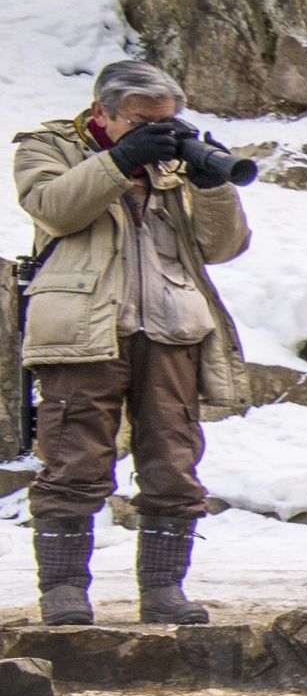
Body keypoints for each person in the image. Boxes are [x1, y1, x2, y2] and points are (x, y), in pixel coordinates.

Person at [13, 60, 251, 626]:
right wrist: (120, 161)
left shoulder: (175, 161)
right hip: (82, 330)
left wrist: (211, 182)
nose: (160, 131)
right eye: (144, 122)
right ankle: (64, 590)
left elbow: (223, 247)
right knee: (74, 459)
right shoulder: (47, 146)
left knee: (174, 461)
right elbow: (53, 208)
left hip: (170, 327)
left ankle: (164, 588)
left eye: (168, 120)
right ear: (103, 112)